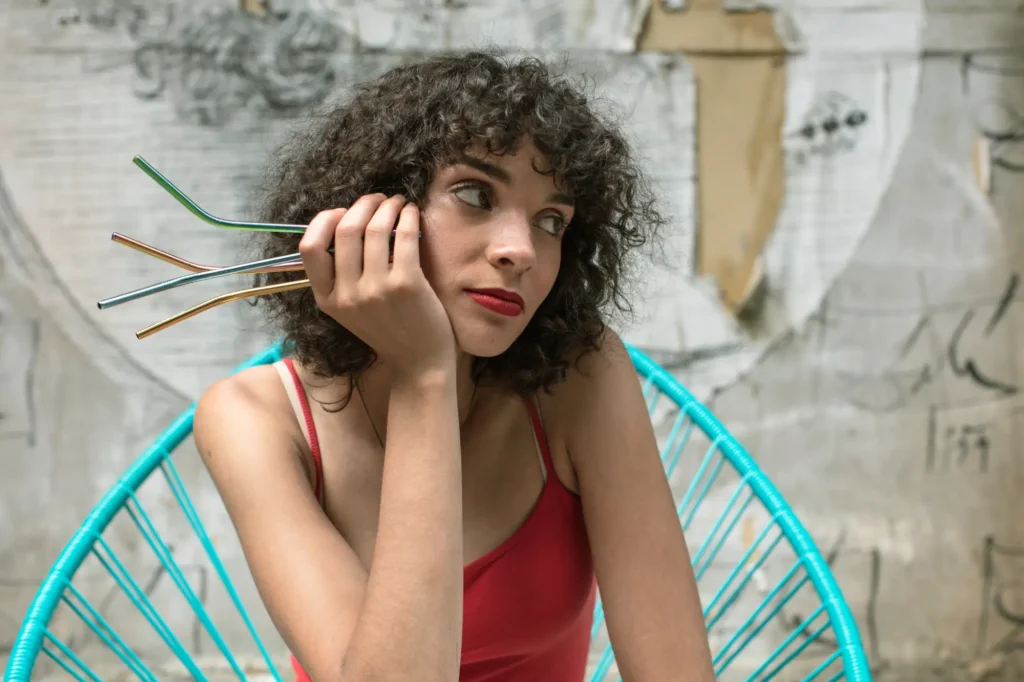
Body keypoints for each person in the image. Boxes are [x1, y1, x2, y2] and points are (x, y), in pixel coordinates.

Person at [193, 50, 715, 682]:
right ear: (372, 212)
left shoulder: (582, 378)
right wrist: (426, 374)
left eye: (551, 220)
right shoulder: (252, 418)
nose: (520, 250)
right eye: (475, 193)